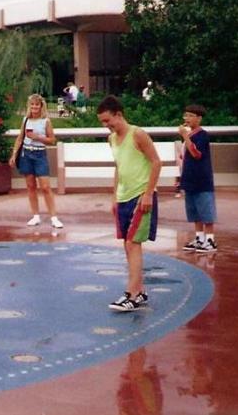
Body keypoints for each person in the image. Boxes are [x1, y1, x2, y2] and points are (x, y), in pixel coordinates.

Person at [97, 95, 162, 312]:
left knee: (133, 243)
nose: (106, 126)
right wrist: (114, 196)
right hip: (124, 196)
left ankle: (132, 294)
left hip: (139, 195)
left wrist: (148, 194)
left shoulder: (138, 134)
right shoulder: (112, 139)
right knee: (128, 243)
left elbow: (156, 162)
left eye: (108, 121)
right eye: (103, 122)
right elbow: (119, 167)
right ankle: (139, 290)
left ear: (119, 114)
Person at [9, 94, 63, 229]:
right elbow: (20, 138)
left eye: (36, 104)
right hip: (26, 154)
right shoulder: (25, 120)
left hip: (40, 154)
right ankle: (35, 215)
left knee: (45, 187)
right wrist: (14, 154)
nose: (34, 107)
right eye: (32, 104)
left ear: (41, 106)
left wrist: (38, 137)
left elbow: (52, 140)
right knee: (30, 186)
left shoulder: (46, 121)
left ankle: (54, 217)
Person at [178, 104, 217, 253]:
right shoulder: (191, 135)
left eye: (190, 116)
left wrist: (185, 136)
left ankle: (210, 240)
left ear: (199, 118)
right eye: (185, 115)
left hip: (202, 180)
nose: (186, 119)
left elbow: (196, 153)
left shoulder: (202, 135)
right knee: (194, 211)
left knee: (206, 210)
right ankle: (199, 238)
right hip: (190, 179)